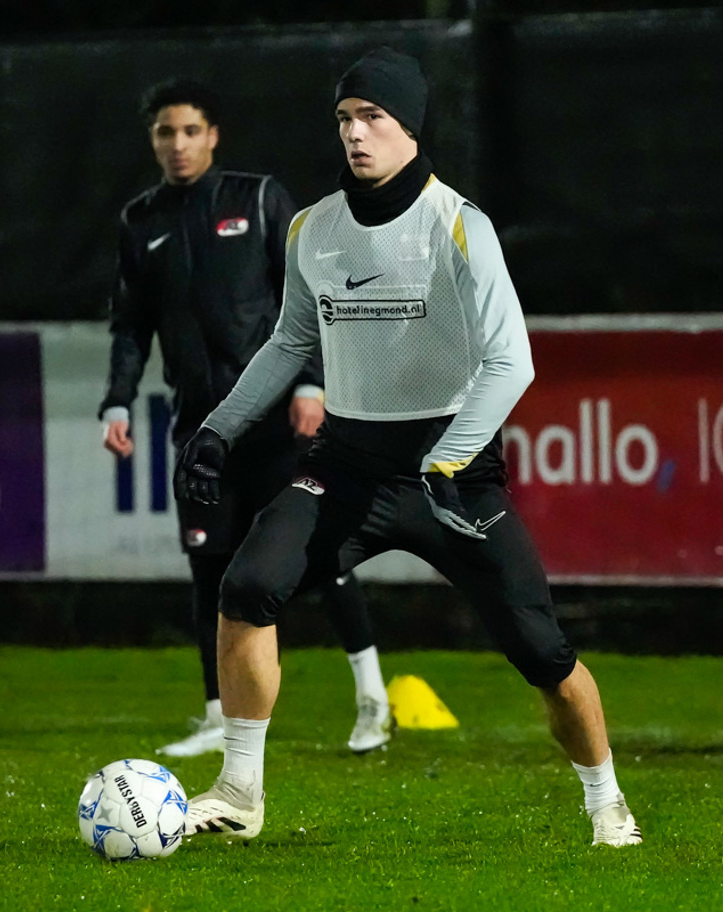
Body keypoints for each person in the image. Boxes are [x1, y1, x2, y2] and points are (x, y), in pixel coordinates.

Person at [175, 48, 643, 847]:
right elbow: (290, 342)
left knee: (544, 652)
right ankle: (240, 791)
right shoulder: (312, 228)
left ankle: (608, 802)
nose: (355, 134)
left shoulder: (457, 224)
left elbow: (512, 361)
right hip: (345, 465)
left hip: (452, 475)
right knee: (247, 586)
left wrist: (449, 458)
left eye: (373, 117)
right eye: (344, 119)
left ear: (411, 127)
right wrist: (219, 428)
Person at [100, 77, 392, 758]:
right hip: (201, 432)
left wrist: (312, 383)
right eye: (165, 133)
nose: (177, 144)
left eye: (189, 131)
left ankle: (373, 699)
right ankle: (218, 716)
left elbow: (309, 294)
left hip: (276, 423)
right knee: (211, 567)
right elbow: (129, 326)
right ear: (153, 141)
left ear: (213, 135)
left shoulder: (257, 201)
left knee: (321, 555)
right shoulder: (140, 221)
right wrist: (116, 399)